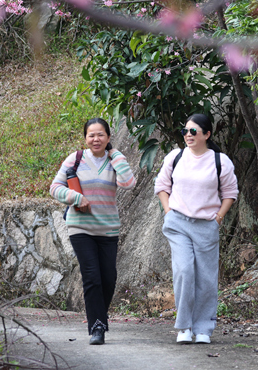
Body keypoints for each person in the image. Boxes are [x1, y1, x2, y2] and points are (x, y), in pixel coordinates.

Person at [50, 118, 136, 345]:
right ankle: (97, 327)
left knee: (108, 279)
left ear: (108, 137)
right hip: (81, 227)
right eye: (91, 135)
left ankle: (100, 316)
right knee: (92, 277)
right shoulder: (75, 159)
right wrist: (76, 197)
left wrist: (117, 156)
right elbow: (55, 188)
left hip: (108, 229)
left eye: (100, 135)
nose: (95, 139)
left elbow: (128, 183)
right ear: (85, 138)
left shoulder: (114, 160)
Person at [155, 113, 238, 345]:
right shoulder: (176, 156)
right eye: (185, 131)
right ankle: (184, 326)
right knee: (184, 271)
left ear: (207, 134)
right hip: (178, 223)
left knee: (206, 279)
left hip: (206, 226)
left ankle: (203, 328)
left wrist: (218, 218)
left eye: (193, 131)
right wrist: (168, 211)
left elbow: (231, 193)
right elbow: (162, 185)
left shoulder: (220, 161)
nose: (188, 135)